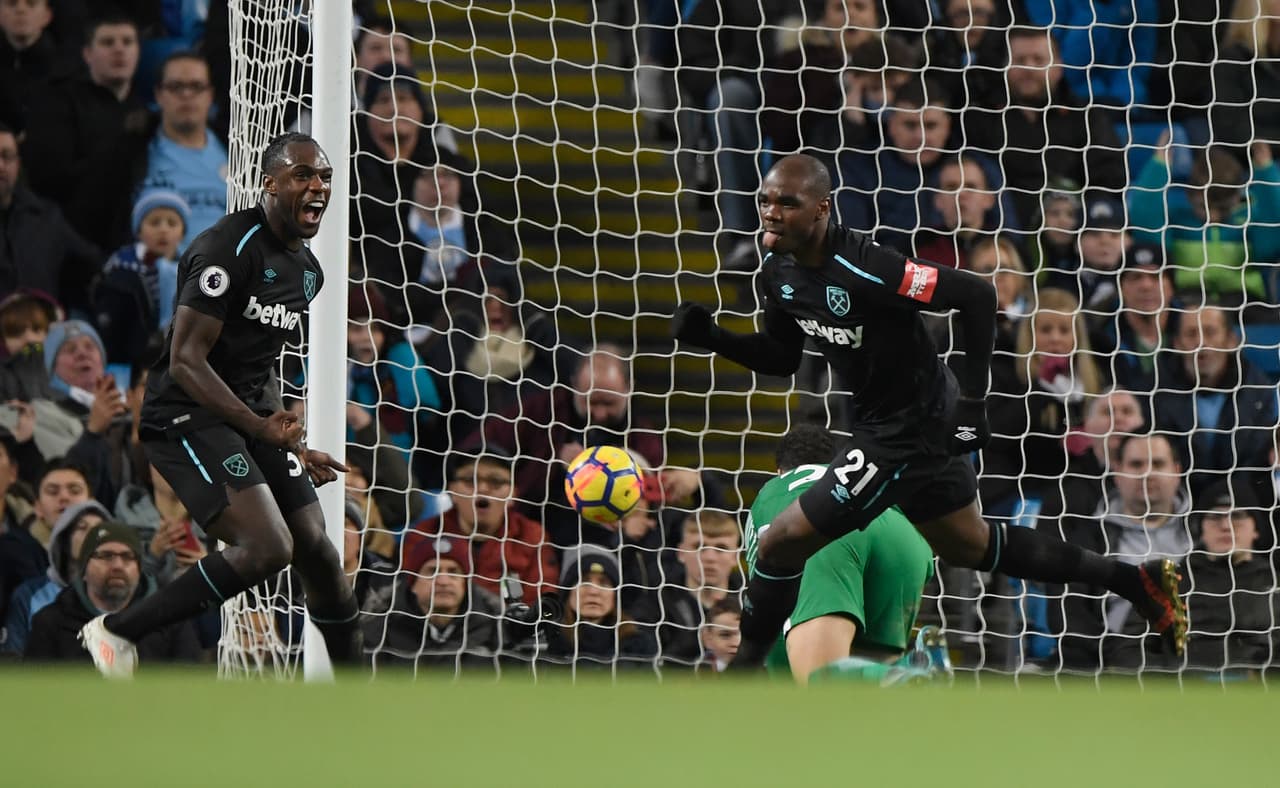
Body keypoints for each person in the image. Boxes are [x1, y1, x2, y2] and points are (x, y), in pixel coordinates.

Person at [671, 154, 1187, 669]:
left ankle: (744, 671)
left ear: (823, 209)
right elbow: (781, 358)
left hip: (909, 430)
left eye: (788, 202)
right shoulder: (778, 272)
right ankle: (1134, 580)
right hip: (885, 424)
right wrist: (713, 338)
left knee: (780, 542)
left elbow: (977, 296)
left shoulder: (871, 267)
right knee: (970, 544)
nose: (771, 211)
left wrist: (973, 404)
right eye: (765, 200)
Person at [76, 132, 357, 678]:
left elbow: (260, 365)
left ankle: (354, 698)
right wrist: (258, 425)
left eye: (323, 176)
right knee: (267, 546)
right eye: (302, 175)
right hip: (181, 415)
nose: (317, 186)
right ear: (269, 184)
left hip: (243, 415)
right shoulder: (225, 250)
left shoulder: (308, 273)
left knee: (317, 550)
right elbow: (184, 360)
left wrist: (292, 442)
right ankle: (115, 633)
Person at [743, 423, 936, 684]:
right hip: (905, 536)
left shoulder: (775, 491)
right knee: (866, 678)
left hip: (824, 534)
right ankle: (916, 667)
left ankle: (910, 675)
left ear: (780, 470)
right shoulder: (847, 477)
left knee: (820, 678)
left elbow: (771, 610)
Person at [1056, 433, 1193, 670]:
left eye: (1158, 464)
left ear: (1177, 471)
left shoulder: (1202, 531)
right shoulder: (1088, 537)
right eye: (1136, 464)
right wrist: (1113, 653)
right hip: (1111, 663)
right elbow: (1068, 613)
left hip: (1193, 657)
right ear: (1117, 472)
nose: (1147, 473)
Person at [25, 520, 200, 662]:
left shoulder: (171, 623)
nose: (117, 566)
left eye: (127, 557)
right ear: (83, 571)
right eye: (105, 556)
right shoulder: (50, 623)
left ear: (139, 570)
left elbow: (190, 689)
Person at [138, 51, 228, 246]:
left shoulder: (237, 151)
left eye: (196, 86)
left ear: (210, 95)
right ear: (158, 95)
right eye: (176, 86)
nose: (186, 95)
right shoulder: (134, 155)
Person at [93, 189, 189, 367]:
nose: (163, 230)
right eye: (154, 222)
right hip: (128, 362)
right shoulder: (120, 270)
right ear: (139, 231)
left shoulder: (192, 270)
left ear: (183, 232)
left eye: (172, 223)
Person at [1, 499, 107, 655]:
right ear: (64, 539)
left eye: (99, 529)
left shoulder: (121, 594)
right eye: (82, 528)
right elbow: (13, 657)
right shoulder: (29, 594)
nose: (92, 535)